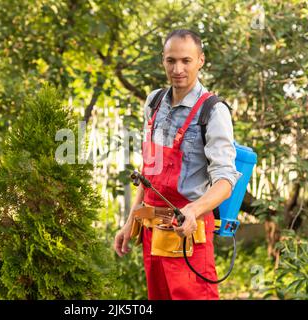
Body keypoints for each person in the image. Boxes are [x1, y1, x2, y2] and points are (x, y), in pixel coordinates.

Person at [113, 29, 241, 300]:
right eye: (171, 61)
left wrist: (193, 211)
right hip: (153, 234)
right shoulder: (154, 102)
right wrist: (130, 222)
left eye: (186, 60)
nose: (178, 69)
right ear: (163, 60)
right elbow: (149, 173)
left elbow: (226, 179)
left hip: (189, 235)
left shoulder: (213, 111)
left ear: (200, 60)